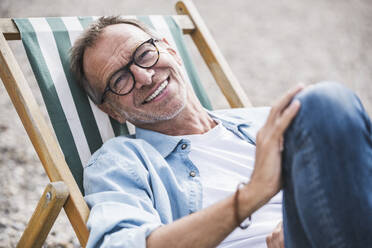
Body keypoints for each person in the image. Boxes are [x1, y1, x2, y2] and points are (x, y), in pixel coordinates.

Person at [70, 16, 372, 248]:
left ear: (171, 50)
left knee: (320, 107)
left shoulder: (261, 121)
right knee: (323, 103)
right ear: (111, 110)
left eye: (144, 54)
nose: (145, 76)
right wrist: (253, 194)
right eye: (119, 80)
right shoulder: (121, 162)